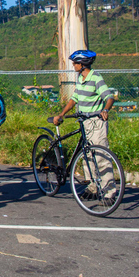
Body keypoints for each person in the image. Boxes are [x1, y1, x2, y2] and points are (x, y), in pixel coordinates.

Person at [53, 49, 116, 200]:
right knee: (88, 155)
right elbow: (74, 98)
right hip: (84, 122)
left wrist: (105, 110)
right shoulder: (80, 78)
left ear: (82, 64)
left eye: (75, 63)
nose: (73, 65)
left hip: (96, 122)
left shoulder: (96, 78)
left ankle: (110, 193)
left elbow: (109, 97)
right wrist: (62, 113)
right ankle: (93, 188)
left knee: (101, 157)